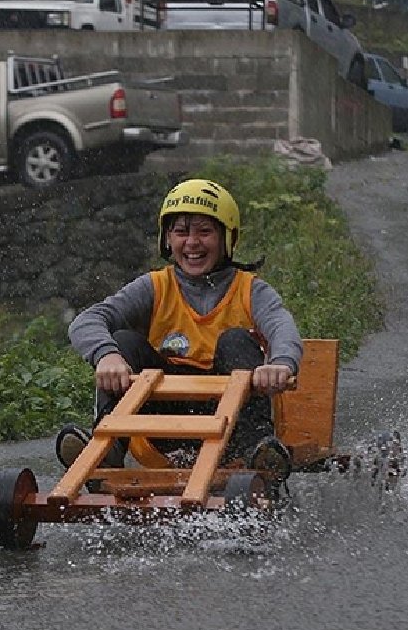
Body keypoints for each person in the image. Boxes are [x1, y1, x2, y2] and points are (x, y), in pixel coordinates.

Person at [58, 178, 303, 482]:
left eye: (205, 231)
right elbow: (86, 321)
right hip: (164, 428)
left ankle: (260, 451)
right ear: (167, 238)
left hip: (232, 428)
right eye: (181, 231)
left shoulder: (251, 290)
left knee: (236, 340)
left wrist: (280, 363)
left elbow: (282, 326)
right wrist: (106, 355)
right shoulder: (154, 286)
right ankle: (106, 450)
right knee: (123, 341)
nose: (192, 243)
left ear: (228, 238)